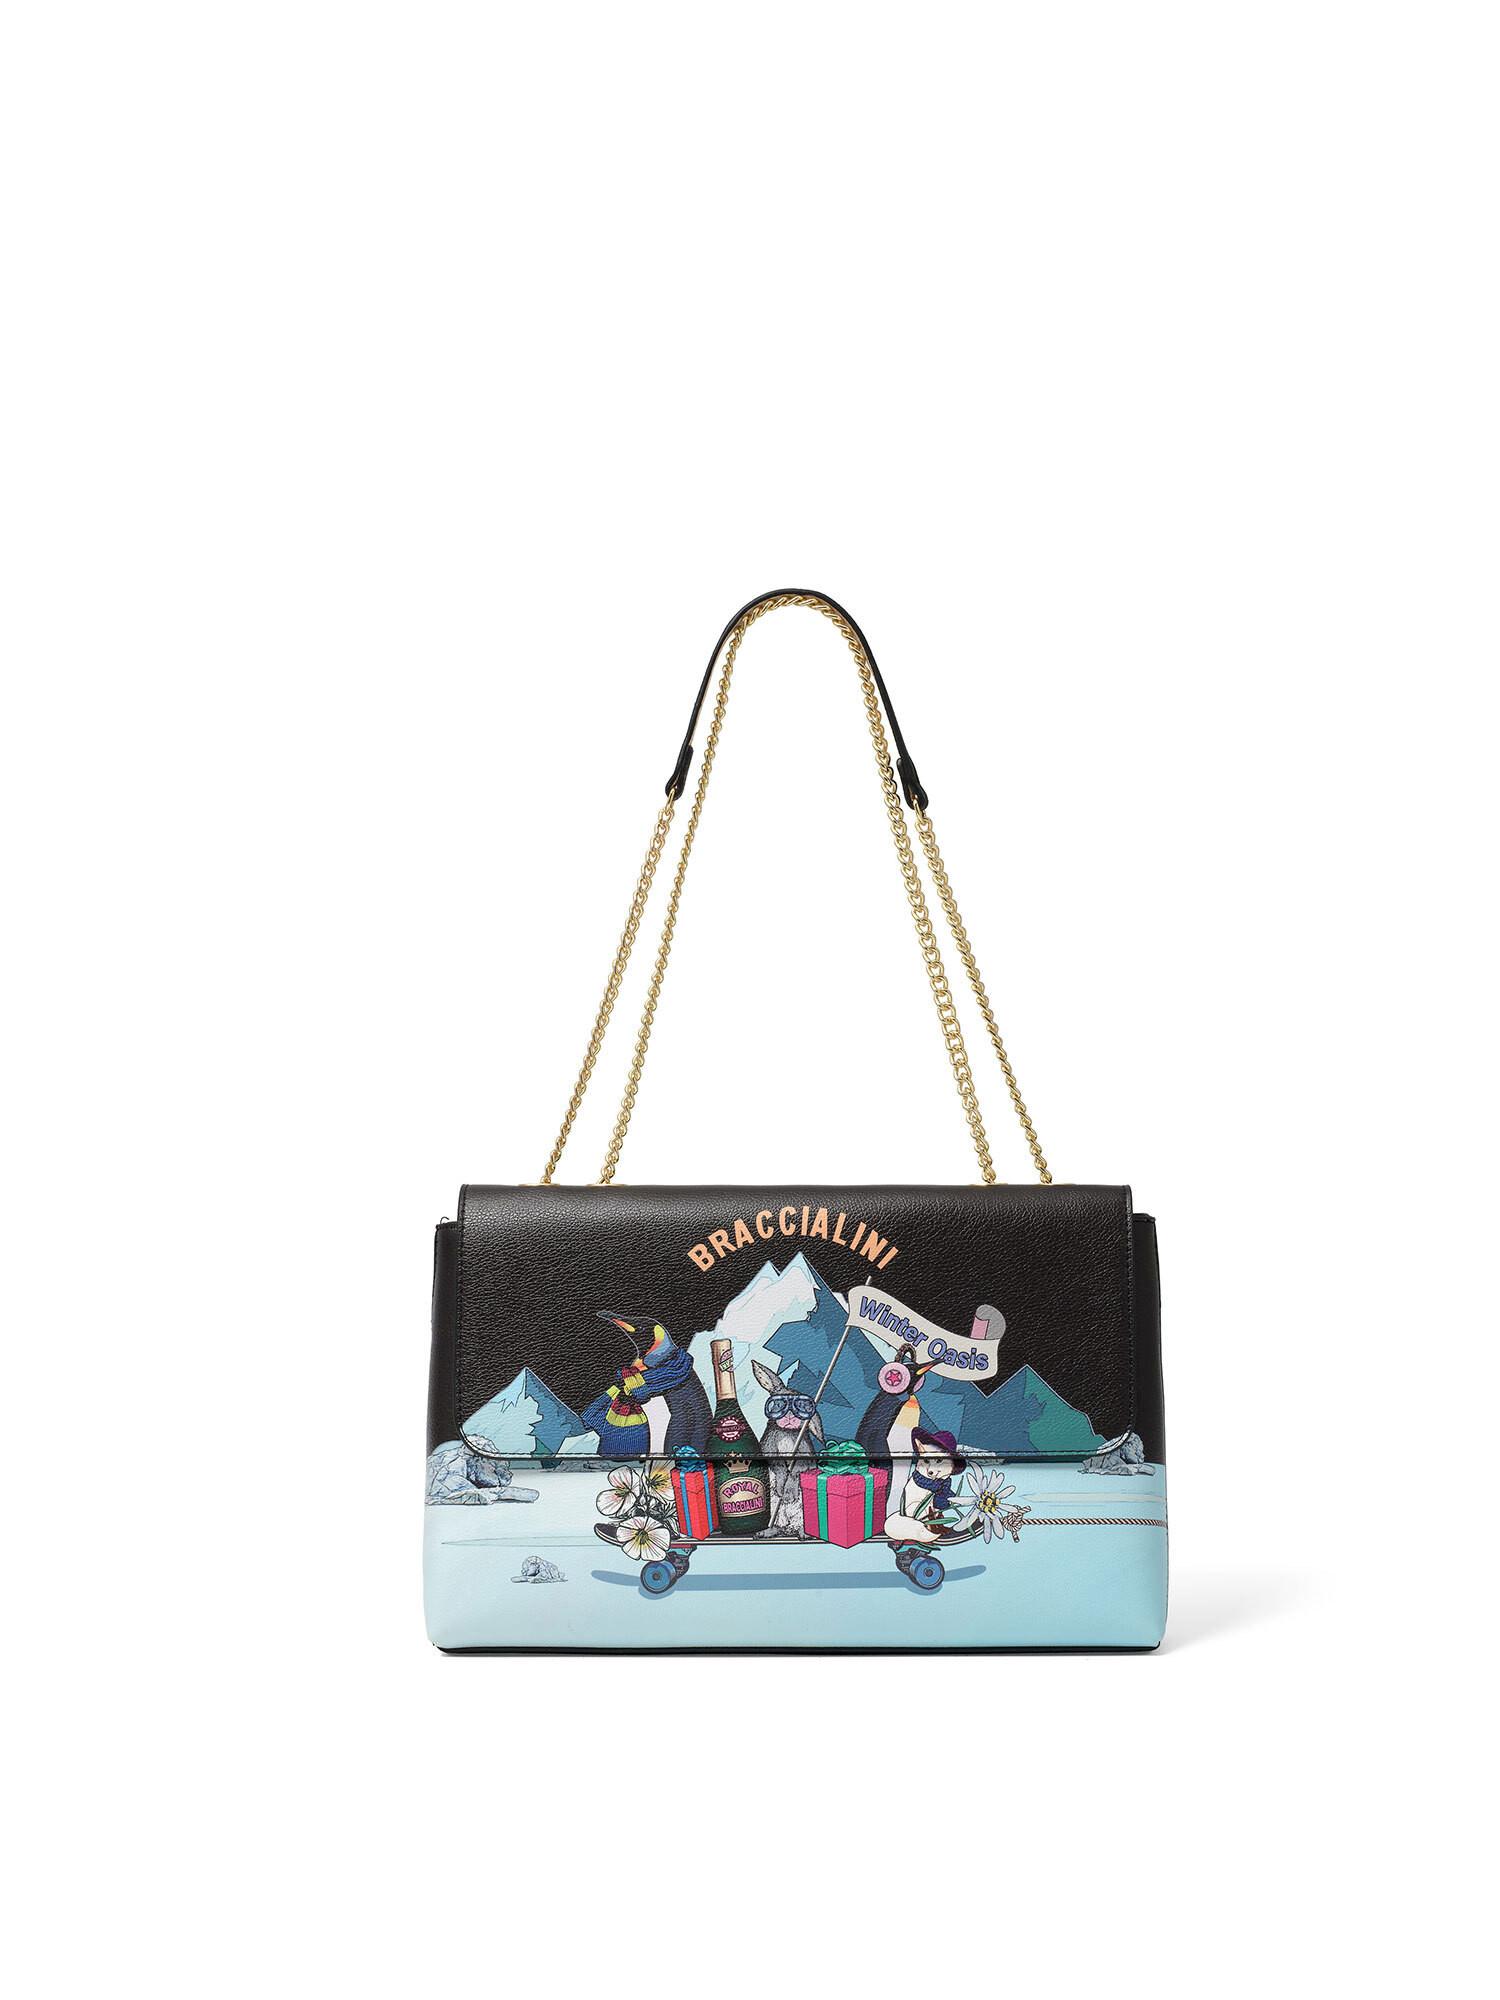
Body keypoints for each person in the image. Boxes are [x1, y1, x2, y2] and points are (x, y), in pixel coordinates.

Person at [884, 1428, 967, 1543]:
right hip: (915, 1511)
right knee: (921, 1508)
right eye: (927, 1461)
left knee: (935, 1510)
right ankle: (925, 1529)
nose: (930, 1470)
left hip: (931, 1512)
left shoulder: (942, 1484)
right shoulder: (922, 1481)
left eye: (939, 1461)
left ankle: (936, 1527)